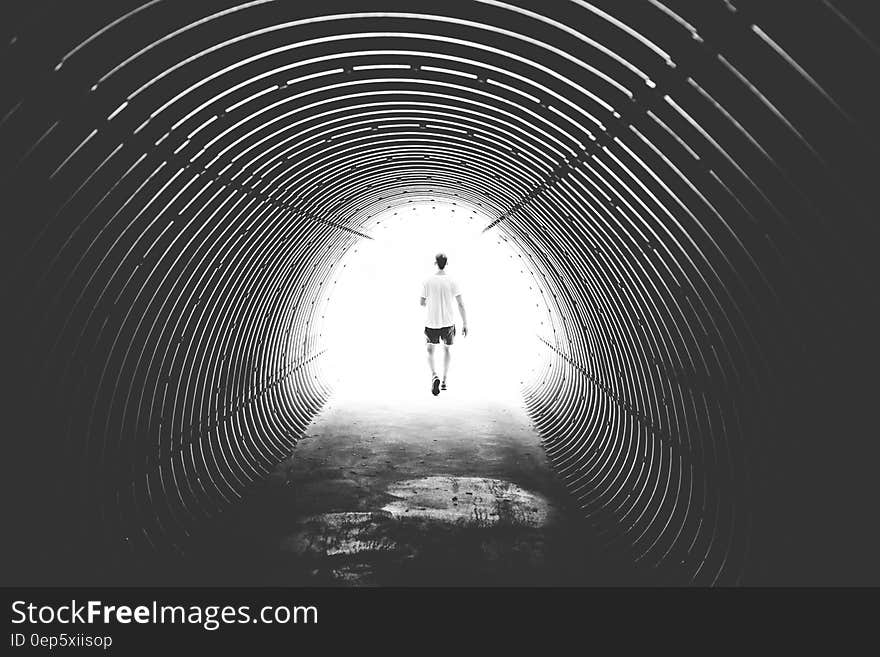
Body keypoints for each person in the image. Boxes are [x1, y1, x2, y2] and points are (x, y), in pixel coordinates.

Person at [420, 252, 468, 395]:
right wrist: (465, 323)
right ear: (447, 264)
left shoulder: (427, 281)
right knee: (446, 350)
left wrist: (432, 301)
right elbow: (460, 304)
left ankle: (435, 375)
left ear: (435, 263)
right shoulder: (453, 281)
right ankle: (445, 380)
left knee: (430, 351)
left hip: (432, 322)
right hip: (448, 322)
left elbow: (421, 302)